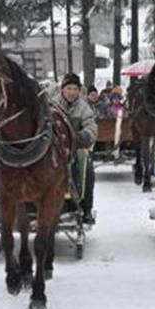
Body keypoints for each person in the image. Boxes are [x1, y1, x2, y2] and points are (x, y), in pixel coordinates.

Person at [54, 72, 98, 225]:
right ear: (62, 90)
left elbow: (91, 127)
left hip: (76, 148)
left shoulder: (83, 109)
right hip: (54, 149)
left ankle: (86, 208)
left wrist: (82, 137)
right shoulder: (53, 106)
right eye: (69, 88)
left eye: (75, 89)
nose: (72, 92)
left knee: (88, 170)